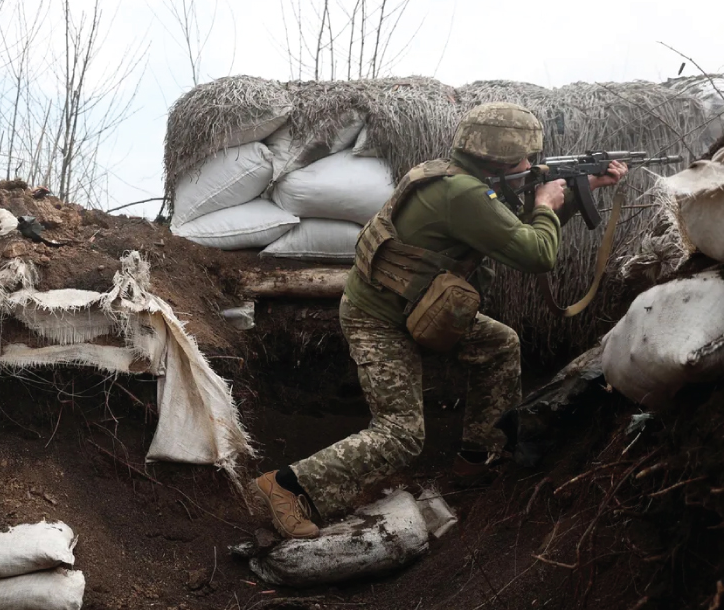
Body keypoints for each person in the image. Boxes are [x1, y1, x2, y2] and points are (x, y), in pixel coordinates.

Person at [252, 102, 628, 539]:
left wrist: (582, 190)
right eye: (524, 159)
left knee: (499, 345)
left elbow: (509, 234)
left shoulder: (456, 178)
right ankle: (286, 487)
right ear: (496, 159)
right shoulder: (464, 195)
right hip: (379, 318)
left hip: (423, 308)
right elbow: (536, 253)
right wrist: (546, 205)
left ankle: (477, 459)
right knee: (401, 435)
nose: (531, 166)